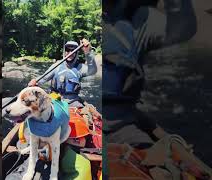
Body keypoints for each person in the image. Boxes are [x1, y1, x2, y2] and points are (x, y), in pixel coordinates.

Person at [103, 0, 197, 147]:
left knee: (157, 164)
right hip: (96, 119)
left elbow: (184, 28)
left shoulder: (140, 18)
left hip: (120, 127)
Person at [28, 38, 97, 107]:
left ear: (76, 53)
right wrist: (35, 82)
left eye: (73, 50)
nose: (70, 53)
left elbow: (93, 71)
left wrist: (88, 52)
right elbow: (43, 78)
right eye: (67, 50)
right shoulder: (57, 66)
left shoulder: (80, 68)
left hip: (73, 101)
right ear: (64, 51)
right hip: (54, 99)